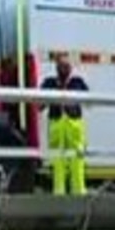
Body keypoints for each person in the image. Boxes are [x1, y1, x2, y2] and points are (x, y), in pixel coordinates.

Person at [40, 55, 89, 195]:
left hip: (74, 125)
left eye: (67, 66)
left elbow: (88, 100)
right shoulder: (49, 83)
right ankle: (59, 192)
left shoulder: (77, 82)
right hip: (57, 125)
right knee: (58, 161)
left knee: (77, 160)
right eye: (61, 66)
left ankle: (79, 192)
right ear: (56, 68)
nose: (64, 69)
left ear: (71, 68)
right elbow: (39, 104)